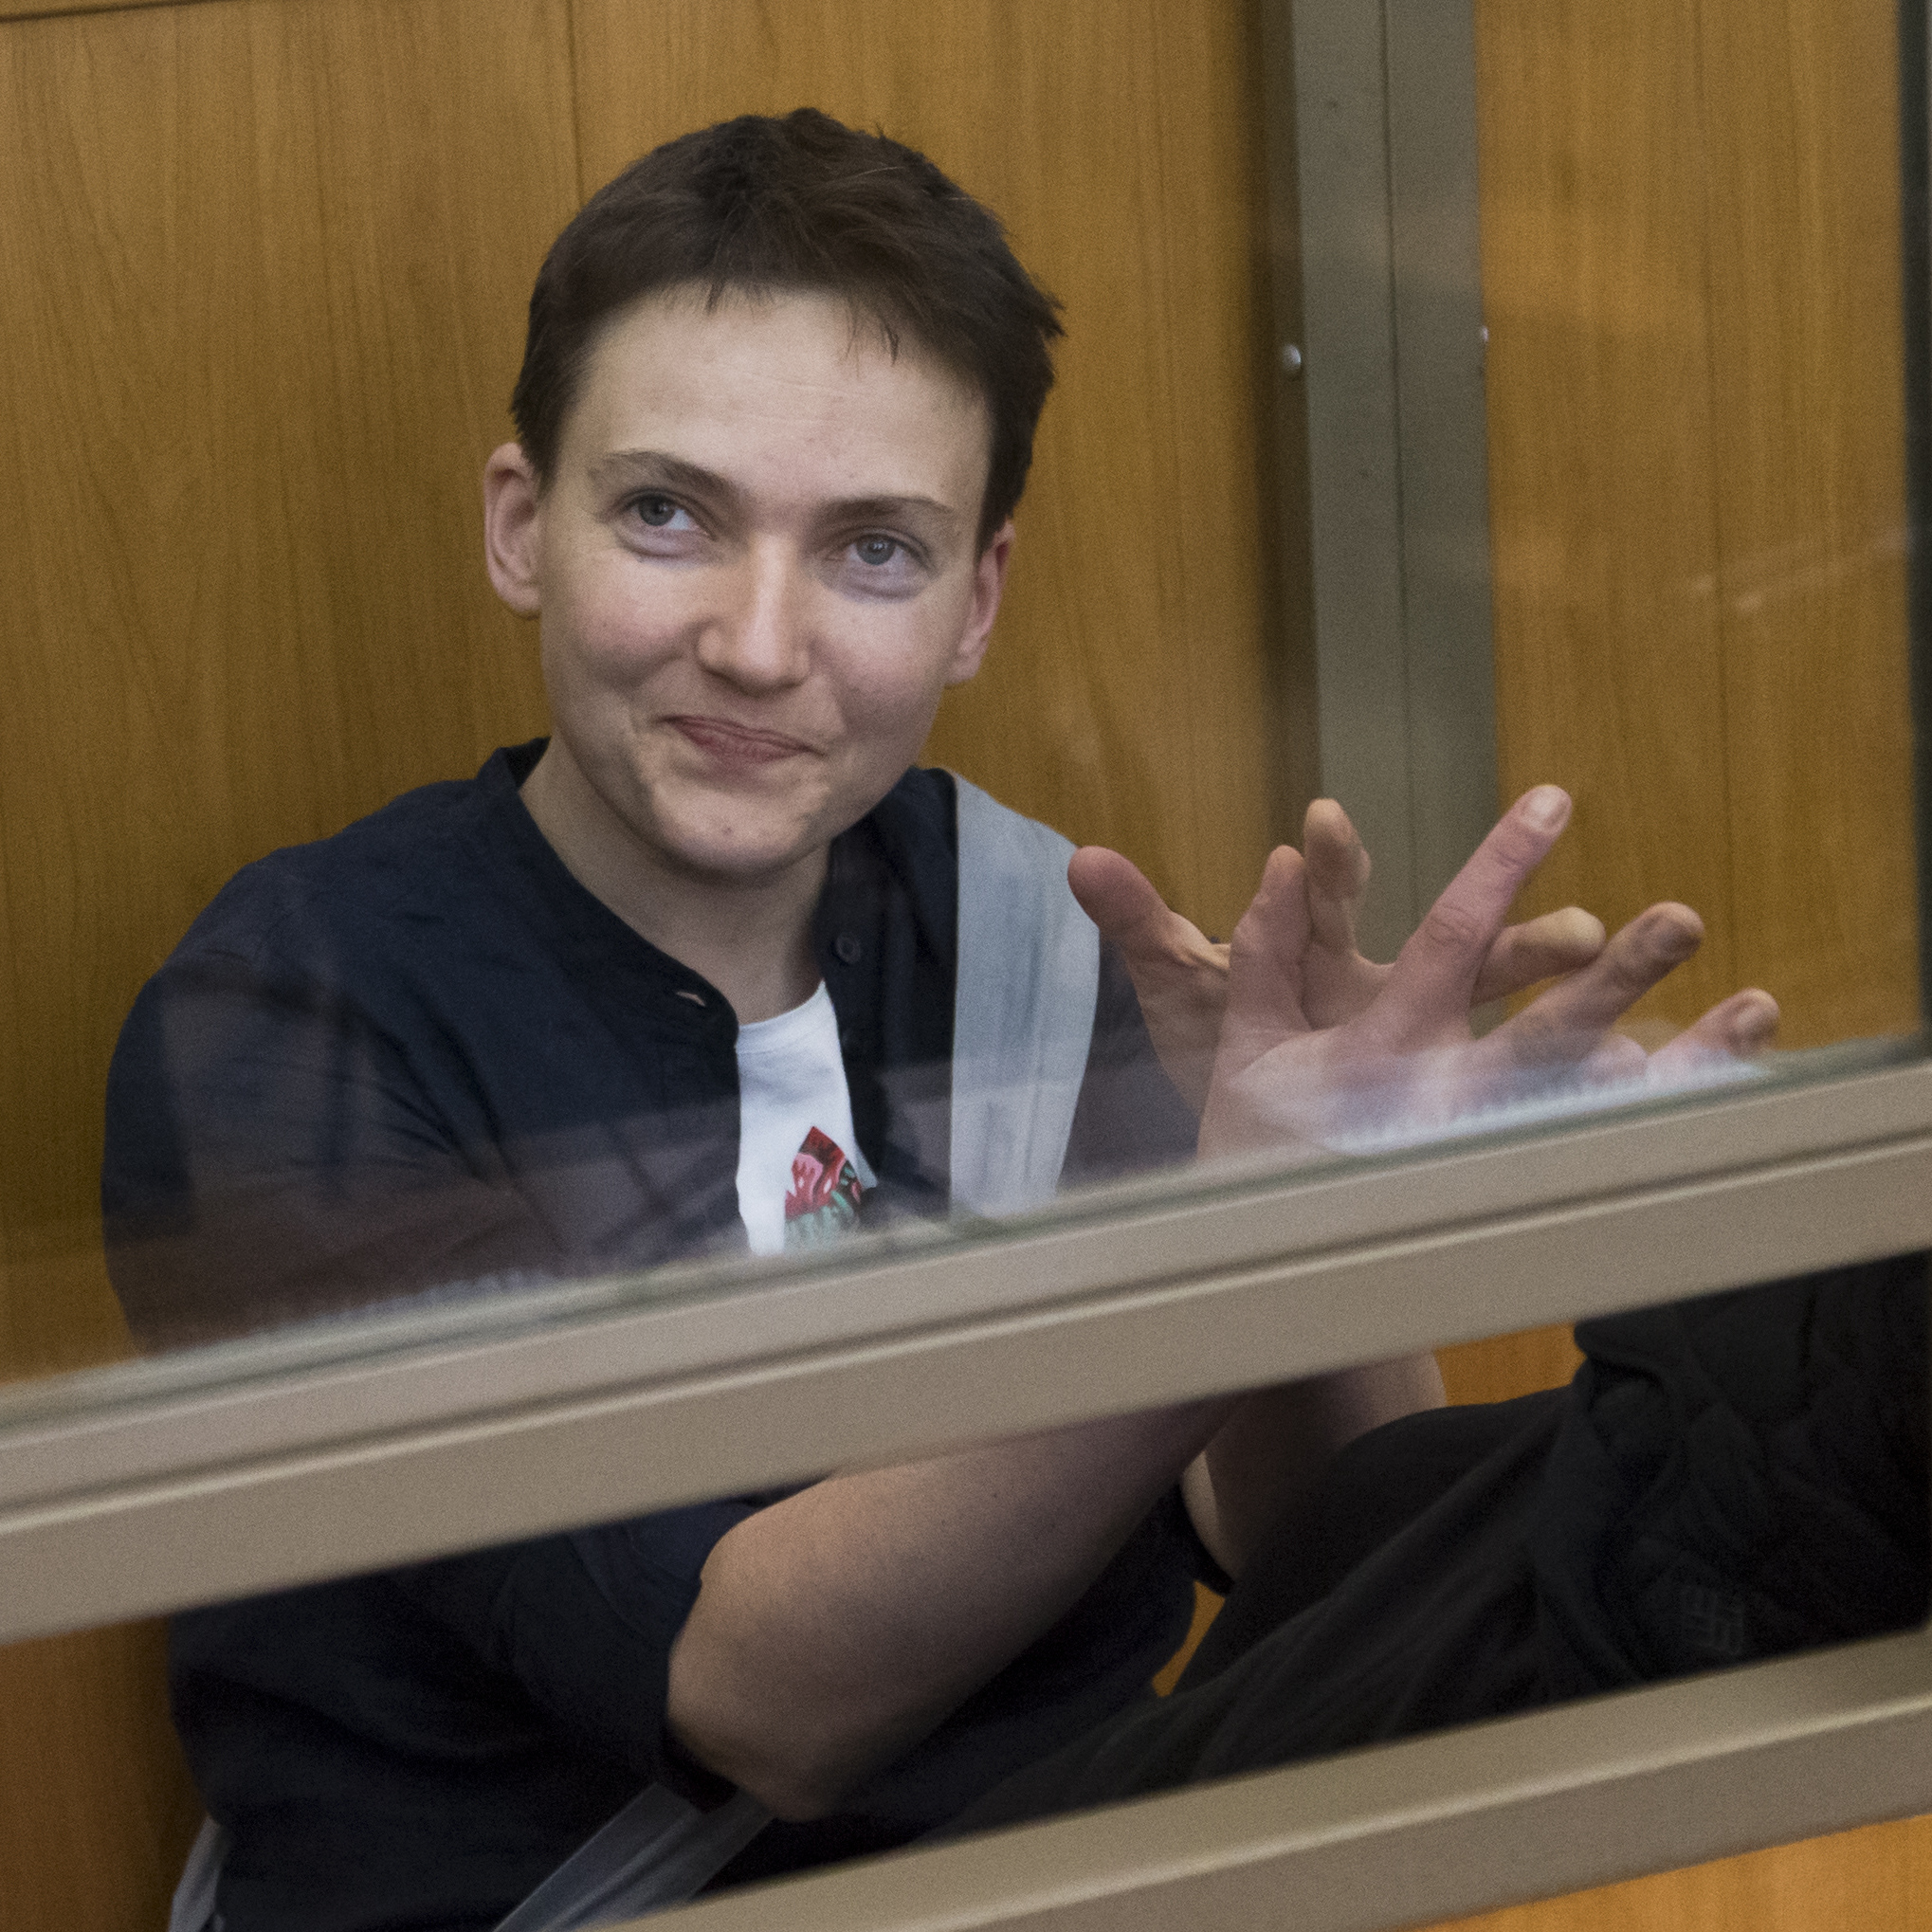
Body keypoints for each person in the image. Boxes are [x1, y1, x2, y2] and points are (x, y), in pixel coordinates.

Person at [101, 109, 1909, 1932]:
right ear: (521, 527)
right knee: (1732, 1455)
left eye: (871, 551)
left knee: (1651, 1487)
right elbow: (760, 1702)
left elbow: (1328, 1557)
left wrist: (1343, 1221)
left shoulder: (1027, 919)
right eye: (668, 513)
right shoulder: (289, 1028)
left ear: (976, 602)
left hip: (1088, 1861)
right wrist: (1232, 1242)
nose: (754, 638)